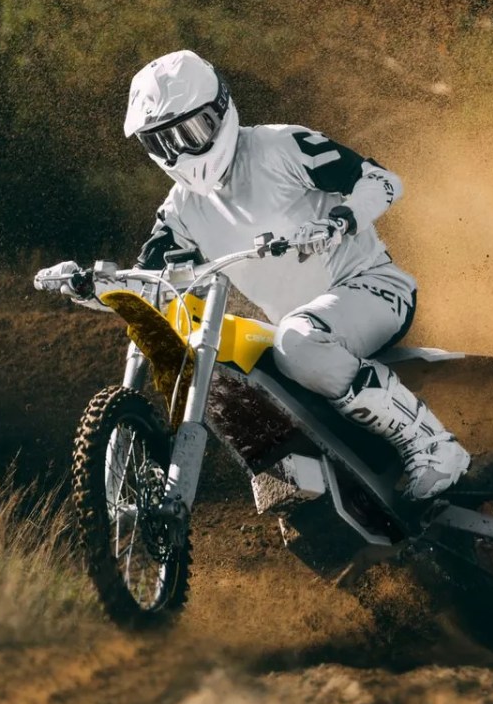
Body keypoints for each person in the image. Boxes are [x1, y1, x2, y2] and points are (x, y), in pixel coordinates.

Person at [43, 49, 470, 501]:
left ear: (221, 109)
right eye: (164, 142)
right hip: (300, 328)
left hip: (373, 289)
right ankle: (312, 493)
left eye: (191, 131)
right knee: (244, 373)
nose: (182, 150)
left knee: (297, 341)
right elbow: (148, 281)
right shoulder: (180, 210)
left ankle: (434, 445)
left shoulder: (280, 146)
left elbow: (382, 180)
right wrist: (91, 286)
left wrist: (339, 220)